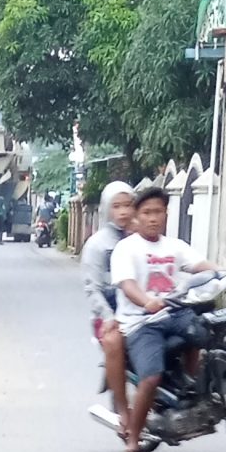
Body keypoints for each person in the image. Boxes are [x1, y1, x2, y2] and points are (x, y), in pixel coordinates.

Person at [110, 183, 221, 452]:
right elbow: (127, 284)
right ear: (136, 216)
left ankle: (197, 391)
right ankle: (133, 441)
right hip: (141, 323)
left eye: (158, 212)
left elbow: (201, 267)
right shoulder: (126, 249)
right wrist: (146, 301)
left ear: (166, 214)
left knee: (208, 330)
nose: (152, 218)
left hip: (174, 313)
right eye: (146, 212)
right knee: (151, 377)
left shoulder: (175, 246)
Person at [80, 181, 137, 434]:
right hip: (110, 314)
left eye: (128, 205)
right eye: (117, 206)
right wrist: (108, 316)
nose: (124, 212)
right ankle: (124, 415)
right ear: (106, 209)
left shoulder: (141, 239)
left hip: (140, 309)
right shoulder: (98, 244)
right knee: (117, 344)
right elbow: (92, 288)